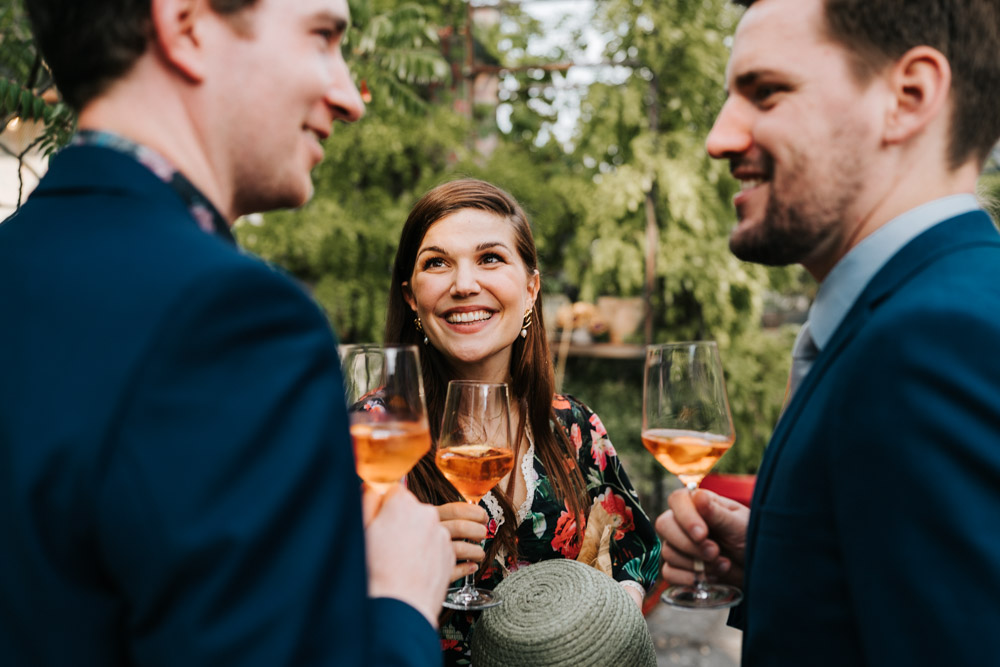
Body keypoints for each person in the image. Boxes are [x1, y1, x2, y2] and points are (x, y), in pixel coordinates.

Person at [0, 0, 454, 665]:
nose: (350, 97)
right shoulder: (232, 320)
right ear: (186, 27)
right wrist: (399, 603)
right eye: (323, 37)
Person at [655, 0, 1000, 664]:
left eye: (767, 93)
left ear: (908, 96)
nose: (720, 138)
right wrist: (787, 556)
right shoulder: (917, 311)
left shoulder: (934, 341)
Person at [376, 178, 661, 665]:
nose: (464, 284)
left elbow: (637, 547)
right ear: (411, 298)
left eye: (490, 258)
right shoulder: (371, 433)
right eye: (437, 262)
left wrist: (607, 627)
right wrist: (388, 566)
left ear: (530, 289)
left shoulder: (573, 424)